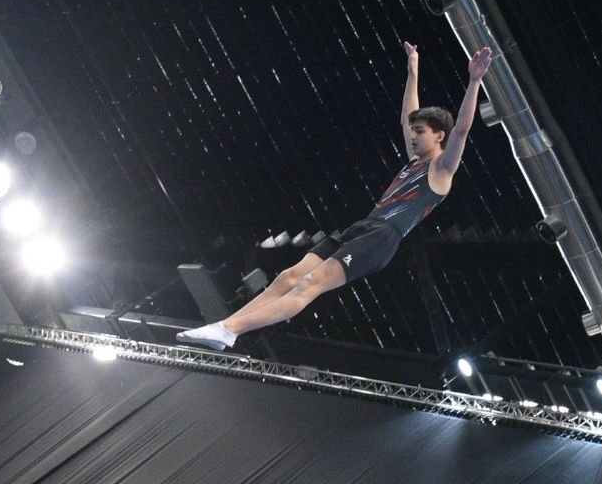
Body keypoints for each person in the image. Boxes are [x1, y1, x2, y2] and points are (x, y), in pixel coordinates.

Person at [177, 41, 494, 351]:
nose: (412, 136)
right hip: (363, 227)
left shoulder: (441, 170)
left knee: (308, 285)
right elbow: (406, 116)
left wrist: (474, 81)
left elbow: (463, 130)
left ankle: (231, 329)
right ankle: (223, 326)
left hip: (383, 237)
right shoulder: (413, 163)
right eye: (412, 132)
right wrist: (413, 70)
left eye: (420, 132)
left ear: (439, 135)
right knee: (289, 276)